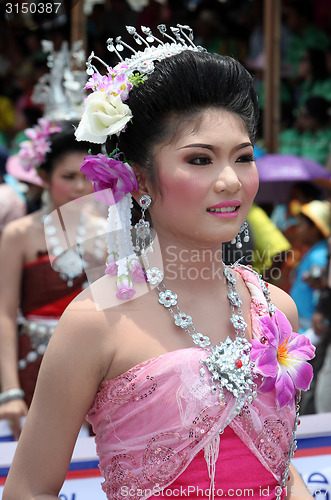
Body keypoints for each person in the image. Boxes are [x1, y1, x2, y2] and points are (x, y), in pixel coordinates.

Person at [3, 25, 315, 499]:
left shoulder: (277, 310)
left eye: (243, 157)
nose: (230, 180)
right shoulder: (95, 320)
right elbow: (27, 489)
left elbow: (281, 467)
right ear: (141, 180)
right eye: (199, 160)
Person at [0, 118, 106, 439]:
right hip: (33, 367)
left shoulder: (109, 232)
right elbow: (4, 313)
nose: (79, 187)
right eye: (68, 177)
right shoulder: (20, 234)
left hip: (96, 368)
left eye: (88, 177)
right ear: (44, 177)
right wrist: (10, 391)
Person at [289, 200, 330, 335]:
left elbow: (320, 292)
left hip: (309, 330)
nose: (298, 229)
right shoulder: (315, 252)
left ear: (315, 228)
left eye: (301, 225)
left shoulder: (318, 256)